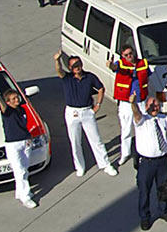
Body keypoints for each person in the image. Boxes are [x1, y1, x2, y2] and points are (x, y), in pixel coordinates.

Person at [54, 50, 116, 178]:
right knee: (75, 141)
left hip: (87, 111)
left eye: (78, 64)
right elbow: (59, 71)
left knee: (96, 140)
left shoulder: (90, 77)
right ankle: (80, 167)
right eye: (73, 66)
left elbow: (101, 88)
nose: (77, 67)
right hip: (72, 112)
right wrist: (57, 60)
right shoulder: (68, 78)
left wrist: (98, 105)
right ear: (70, 68)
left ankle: (105, 164)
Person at [132, 97, 167, 229]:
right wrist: (133, 103)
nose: (154, 107)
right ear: (146, 107)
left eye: (156, 105)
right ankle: (145, 217)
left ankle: (164, 211)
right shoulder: (142, 120)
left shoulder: (165, 119)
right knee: (144, 191)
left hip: (162, 161)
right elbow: (136, 113)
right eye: (151, 105)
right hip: (146, 163)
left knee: (165, 188)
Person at [0, 85, 37, 208]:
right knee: (19, 170)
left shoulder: (22, 109)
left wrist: (28, 138)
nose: (17, 100)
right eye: (13, 99)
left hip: (25, 142)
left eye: (17, 98)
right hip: (13, 144)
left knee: (25, 168)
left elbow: (24, 125)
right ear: (8, 102)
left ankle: (20, 192)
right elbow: (3, 106)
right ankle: (25, 197)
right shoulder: (7, 111)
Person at [109, 45, 151, 167]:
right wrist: (110, 64)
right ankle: (125, 154)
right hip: (126, 102)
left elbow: (148, 76)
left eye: (130, 54)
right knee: (126, 129)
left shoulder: (142, 63)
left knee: (142, 127)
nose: (129, 56)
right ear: (122, 56)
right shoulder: (121, 64)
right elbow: (115, 67)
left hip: (140, 101)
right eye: (126, 55)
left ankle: (143, 152)